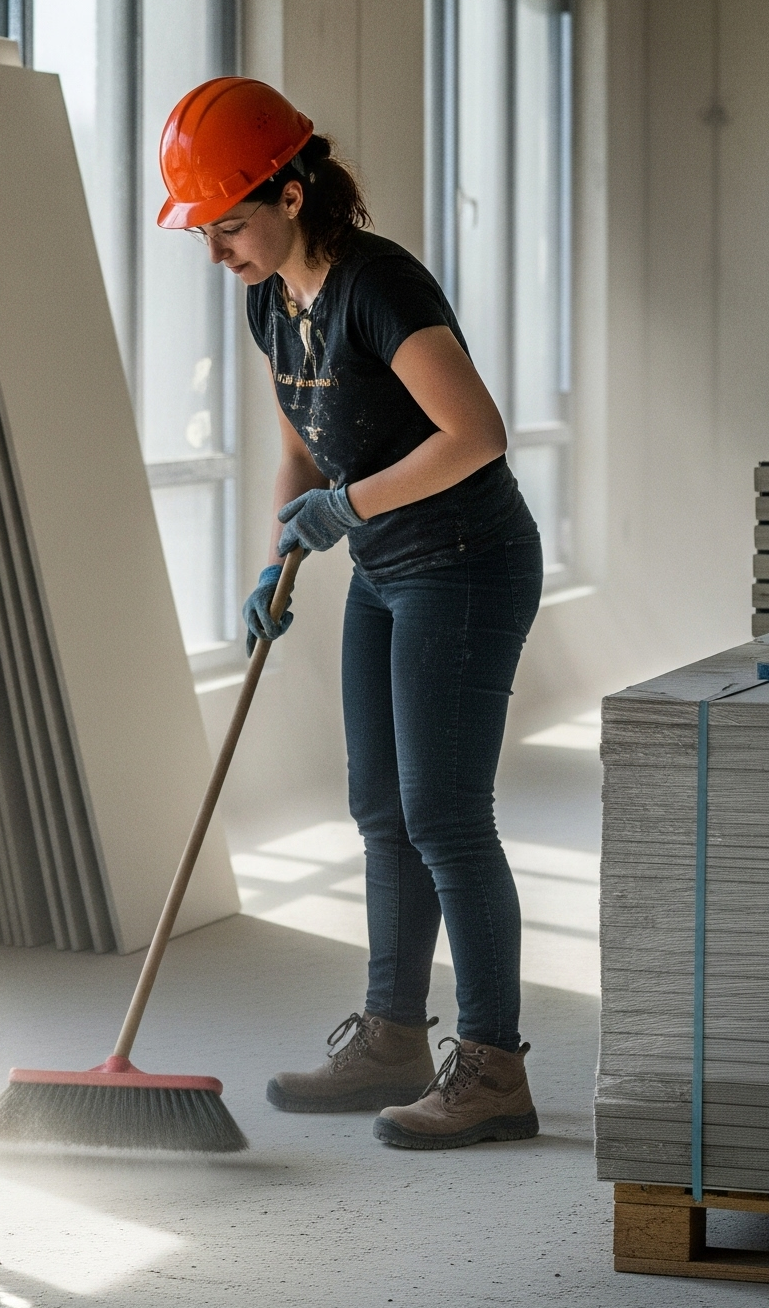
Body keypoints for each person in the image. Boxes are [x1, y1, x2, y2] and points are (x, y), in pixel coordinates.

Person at [157, 77, 544, 1150]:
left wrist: (346, 505)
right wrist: (285, 540)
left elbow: (475, 433)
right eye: (201, 230)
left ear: (286, 191)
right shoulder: (264, 298)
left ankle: (494, 1067)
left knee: (445, 814)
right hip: (382, 560)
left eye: (226, 223)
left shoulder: (378, 284)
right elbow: (302, 437)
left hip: (465, 560)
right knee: (377, 806)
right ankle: (389, 1035)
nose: (214, 249)